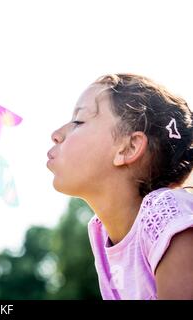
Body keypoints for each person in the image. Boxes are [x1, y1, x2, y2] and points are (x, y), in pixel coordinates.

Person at [47, 74, 193, 299]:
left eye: (78, 121)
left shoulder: (167, 212)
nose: (56, 135)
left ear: (128, 148)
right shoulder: (102, 233)